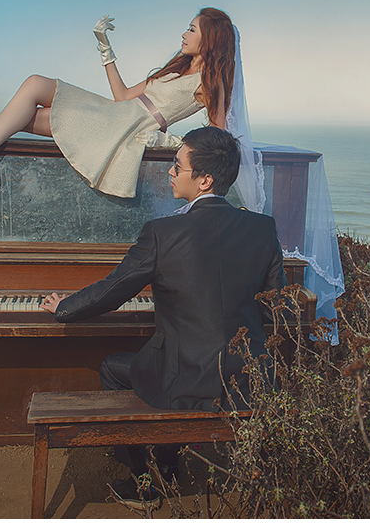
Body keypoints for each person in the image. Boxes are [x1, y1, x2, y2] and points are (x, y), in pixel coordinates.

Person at [40, 126, 285, 507]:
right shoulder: (263, 228)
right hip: (246, 377)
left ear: (204, 179)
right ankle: (167, 461)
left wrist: (64, 307)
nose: (169, 172)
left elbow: (112, 290)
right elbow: (275, 305)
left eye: (177, 165)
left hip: (186, 379)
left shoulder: (162, 233)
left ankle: (147, 482)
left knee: (111, 367)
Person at [0, 7, 265, 211]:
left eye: (192, 29)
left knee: (33, 86)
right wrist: (104, 47)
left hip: (127, 131)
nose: (184, 33)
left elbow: (218, 140)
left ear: (211, 39)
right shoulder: (176, 68)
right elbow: (122, 97)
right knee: (22, 114)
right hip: (116, 116)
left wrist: (167, 139)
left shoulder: (208, 85)